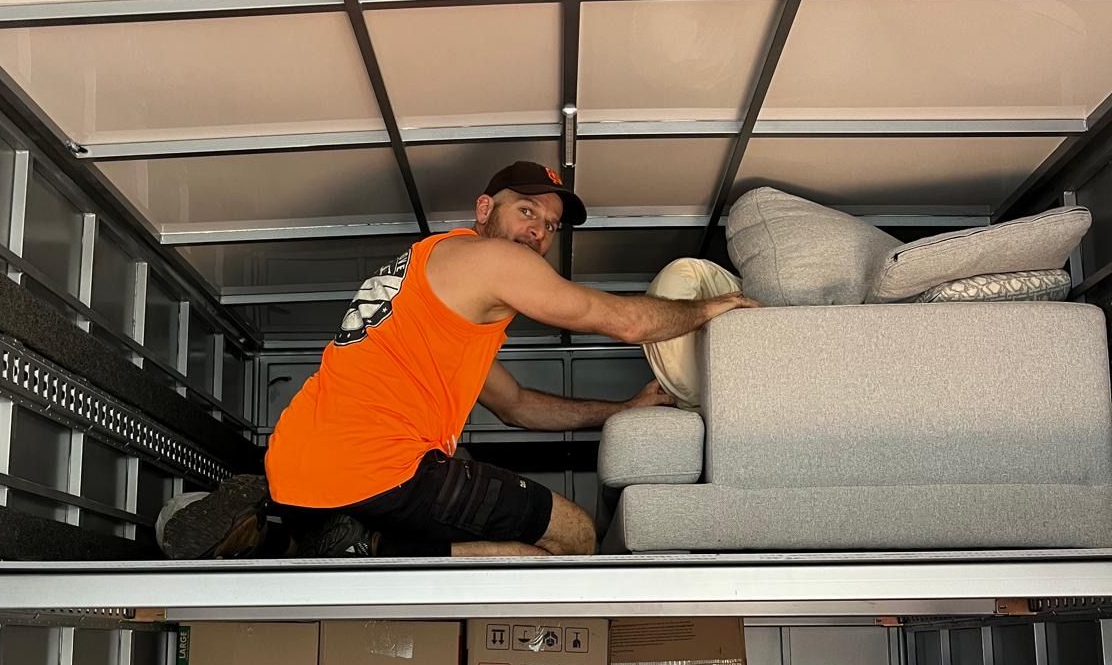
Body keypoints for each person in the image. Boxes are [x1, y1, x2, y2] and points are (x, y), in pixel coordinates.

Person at [158, 161, 757, 560]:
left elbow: (518, 406)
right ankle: (367, 547)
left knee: (465, 477)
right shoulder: (488, 260)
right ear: (484, 209)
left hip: (304, 463)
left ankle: (322, 534)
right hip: (378, 469)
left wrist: (621, 410)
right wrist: (708, 310)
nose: (538, 233)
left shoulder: (432, 284)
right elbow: (625, 322)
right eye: (527, 211)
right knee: (574, 536)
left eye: (549, 226)